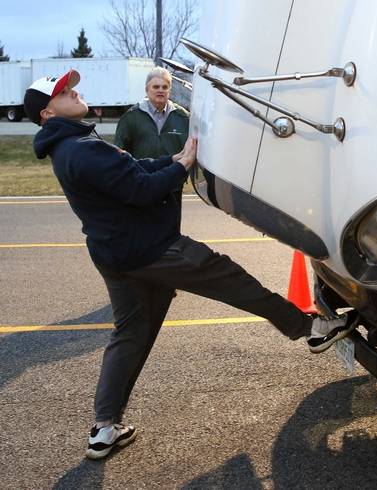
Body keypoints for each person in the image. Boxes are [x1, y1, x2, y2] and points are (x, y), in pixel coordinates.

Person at [24, 70, 356, 461]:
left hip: (117, 255)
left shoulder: (73, 143)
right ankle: (310, 328)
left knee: (130, 335)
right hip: (150, 251)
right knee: (230, 278)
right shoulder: (80, 149)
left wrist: (173, 159)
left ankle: (104, 428)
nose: (74, 92)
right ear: (48, 113)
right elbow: (142, 189)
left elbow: (132, 169)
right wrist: (182, 167)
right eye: (64, 92)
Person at [115, 67, 190, 227]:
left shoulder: (183, 117)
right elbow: (118, 152)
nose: (160, 90)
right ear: (147, 89)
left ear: (170, 90)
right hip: (143, 184)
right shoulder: (131, 117)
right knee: (143, 230)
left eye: (165, 87)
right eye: (156, 87)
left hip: (173, 186)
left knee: (171, 231)